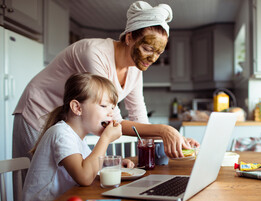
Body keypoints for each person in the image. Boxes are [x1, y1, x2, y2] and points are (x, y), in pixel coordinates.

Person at [13, 0, 198, 165]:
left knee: (70, 187)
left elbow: (138, 114)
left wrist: (175, 139)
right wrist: (164, 131)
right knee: (39, 186)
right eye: (147, 48)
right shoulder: (94, 53)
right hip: (39, 113)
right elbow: (109, 120)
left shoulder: (135, 68)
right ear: (128, 37)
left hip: (70, 123)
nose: (152, 58)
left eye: (158, 53)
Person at [21, 73, 135, 201]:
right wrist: (106, 138)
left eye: (113, 108)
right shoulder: (61, 133)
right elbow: (85, 176)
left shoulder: (77, 138)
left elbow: (90, 165)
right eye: (104, 105)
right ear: (77, 107)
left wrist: (110, 164)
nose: (111, 113)